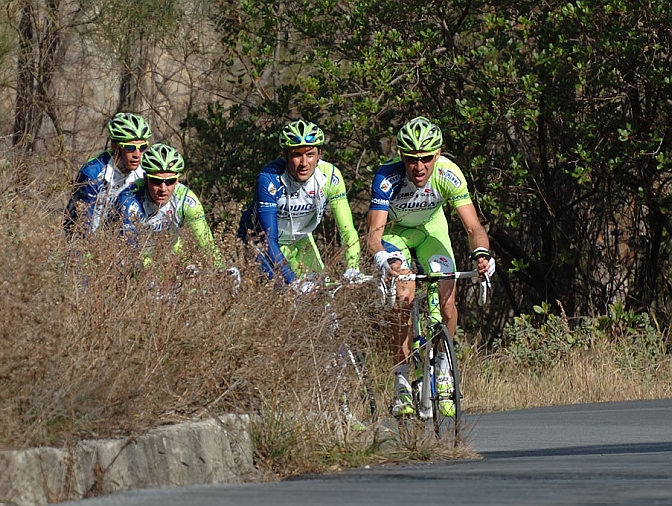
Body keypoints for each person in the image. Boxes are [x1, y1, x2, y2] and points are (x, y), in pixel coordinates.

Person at [366, 116, 496, 417]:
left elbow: (474, 227)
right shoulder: (387, 177)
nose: (419, 167)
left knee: (448, 301)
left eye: (426, 158)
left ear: (438, 154)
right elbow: (373, 235)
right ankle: (401, 382)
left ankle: (443, 368)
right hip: (394, 233)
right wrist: (385, 259)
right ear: (401, 156)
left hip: (430, 231)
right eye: (411, 159)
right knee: (404, 294)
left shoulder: (449, 174)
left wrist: (482, 255)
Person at [237, 119, 361, 292]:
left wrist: (353, 267)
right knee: (284, 295)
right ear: (285, 155)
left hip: (300, 239)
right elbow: (269, 239)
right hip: (262, 243)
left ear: (320, 154)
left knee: (321, 298)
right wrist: (292, 280)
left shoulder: (331, 176)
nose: (304, 163)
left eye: (310, 154)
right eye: (296, 155)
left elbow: (347, 230)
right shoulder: (269, 179)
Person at [117, 143, 232, 279]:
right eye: (156, 181)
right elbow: (130, 251)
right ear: (146, 177)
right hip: (139, 263)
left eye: (170, 181)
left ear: (177, 179)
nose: (163, 188)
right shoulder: (129, 200)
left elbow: (207, 246)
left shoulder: (187, 201)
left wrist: (222, 272)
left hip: (173, 259)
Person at [64, 112, 152, 236]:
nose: (137, 154)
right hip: (92, 238)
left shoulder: (145, 171)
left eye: (142, 147)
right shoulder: (92, 173)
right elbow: (82, 224)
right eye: (130, 148)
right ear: (115, 146)